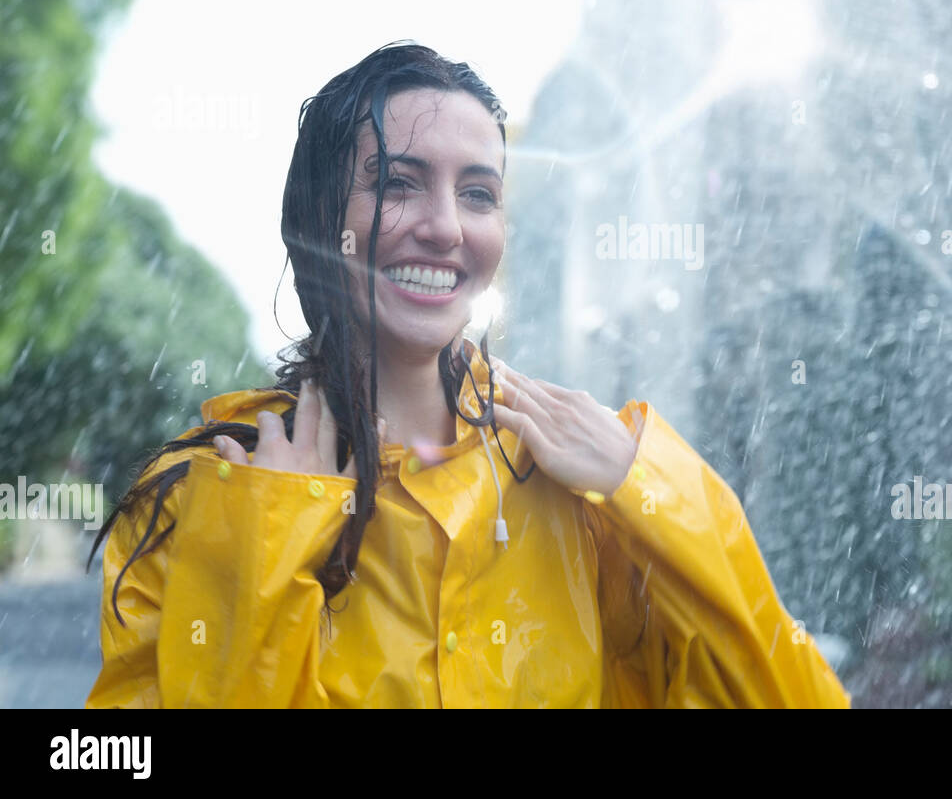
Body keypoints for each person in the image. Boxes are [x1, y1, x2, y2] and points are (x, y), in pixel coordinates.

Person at [84, 41, 852, 709]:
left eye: (478, 194)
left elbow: (785, 699)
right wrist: (263, 556)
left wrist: (650, 487)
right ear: (321, 216)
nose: (446, 227)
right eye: (398, 183)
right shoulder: (206, 495)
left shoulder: (588, 492)